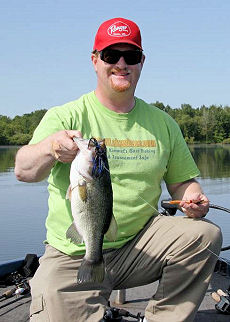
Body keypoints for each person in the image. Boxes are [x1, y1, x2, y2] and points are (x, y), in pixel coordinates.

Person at [14, 17, 222, 322]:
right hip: (75, 251)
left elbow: (182, 183)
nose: (121, 64)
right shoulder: (66, 115)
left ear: (142, 62)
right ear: (95, 60)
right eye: (111, 55)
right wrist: (49, 148)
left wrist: (194, 199)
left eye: (131, 56)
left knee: (204, 235)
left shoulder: (163, 123)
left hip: (140, 244)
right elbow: (22, 170)